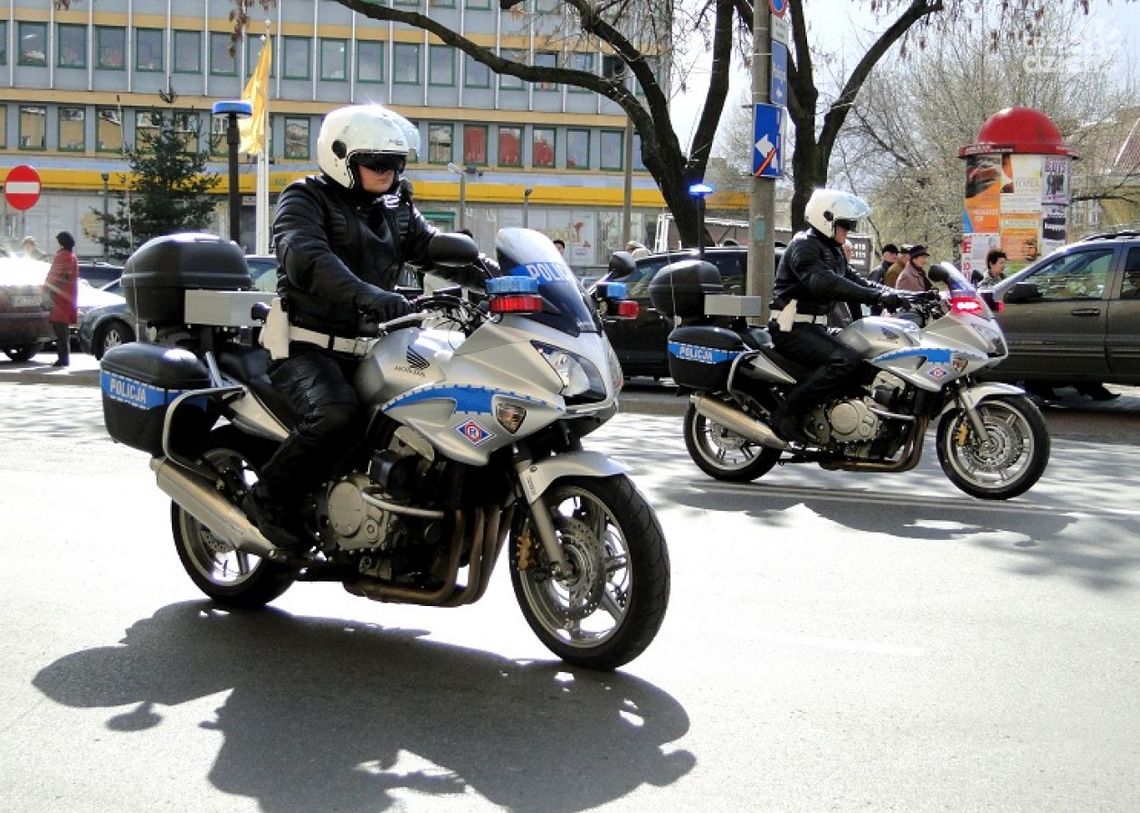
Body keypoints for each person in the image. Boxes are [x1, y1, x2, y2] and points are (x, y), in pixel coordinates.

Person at [246, 103, 437, 552]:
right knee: (337, 416)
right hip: (306, 347)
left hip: (374, 346)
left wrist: (493, 274)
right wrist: (370, 295)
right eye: (376, 162)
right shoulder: (303, 198)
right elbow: (309, 259)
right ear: (340, 157)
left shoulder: (395, 206)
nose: (387, 172)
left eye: (396, 163)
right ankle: (267, 497)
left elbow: (432, 248)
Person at [768, 188, 907, 445]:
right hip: (792, 329)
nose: (849, 229)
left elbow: (855, 281)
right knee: (844, 361)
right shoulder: (804, 246)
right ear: (826, 219)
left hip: (815, 327)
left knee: (866, 357)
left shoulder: (832, 249)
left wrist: (898, 294)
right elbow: (824, 283)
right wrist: (877, 298)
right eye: (845, 224)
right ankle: (787, 413)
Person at [43, 231, 79, 367]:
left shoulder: (62, 256)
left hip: (59, 298)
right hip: (67, 297)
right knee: (63, 331)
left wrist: (46, 291)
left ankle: (63, 358)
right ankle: (64, 358)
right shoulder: (72, 256)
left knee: (60, 331)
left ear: (61, 242)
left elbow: (54, 275)